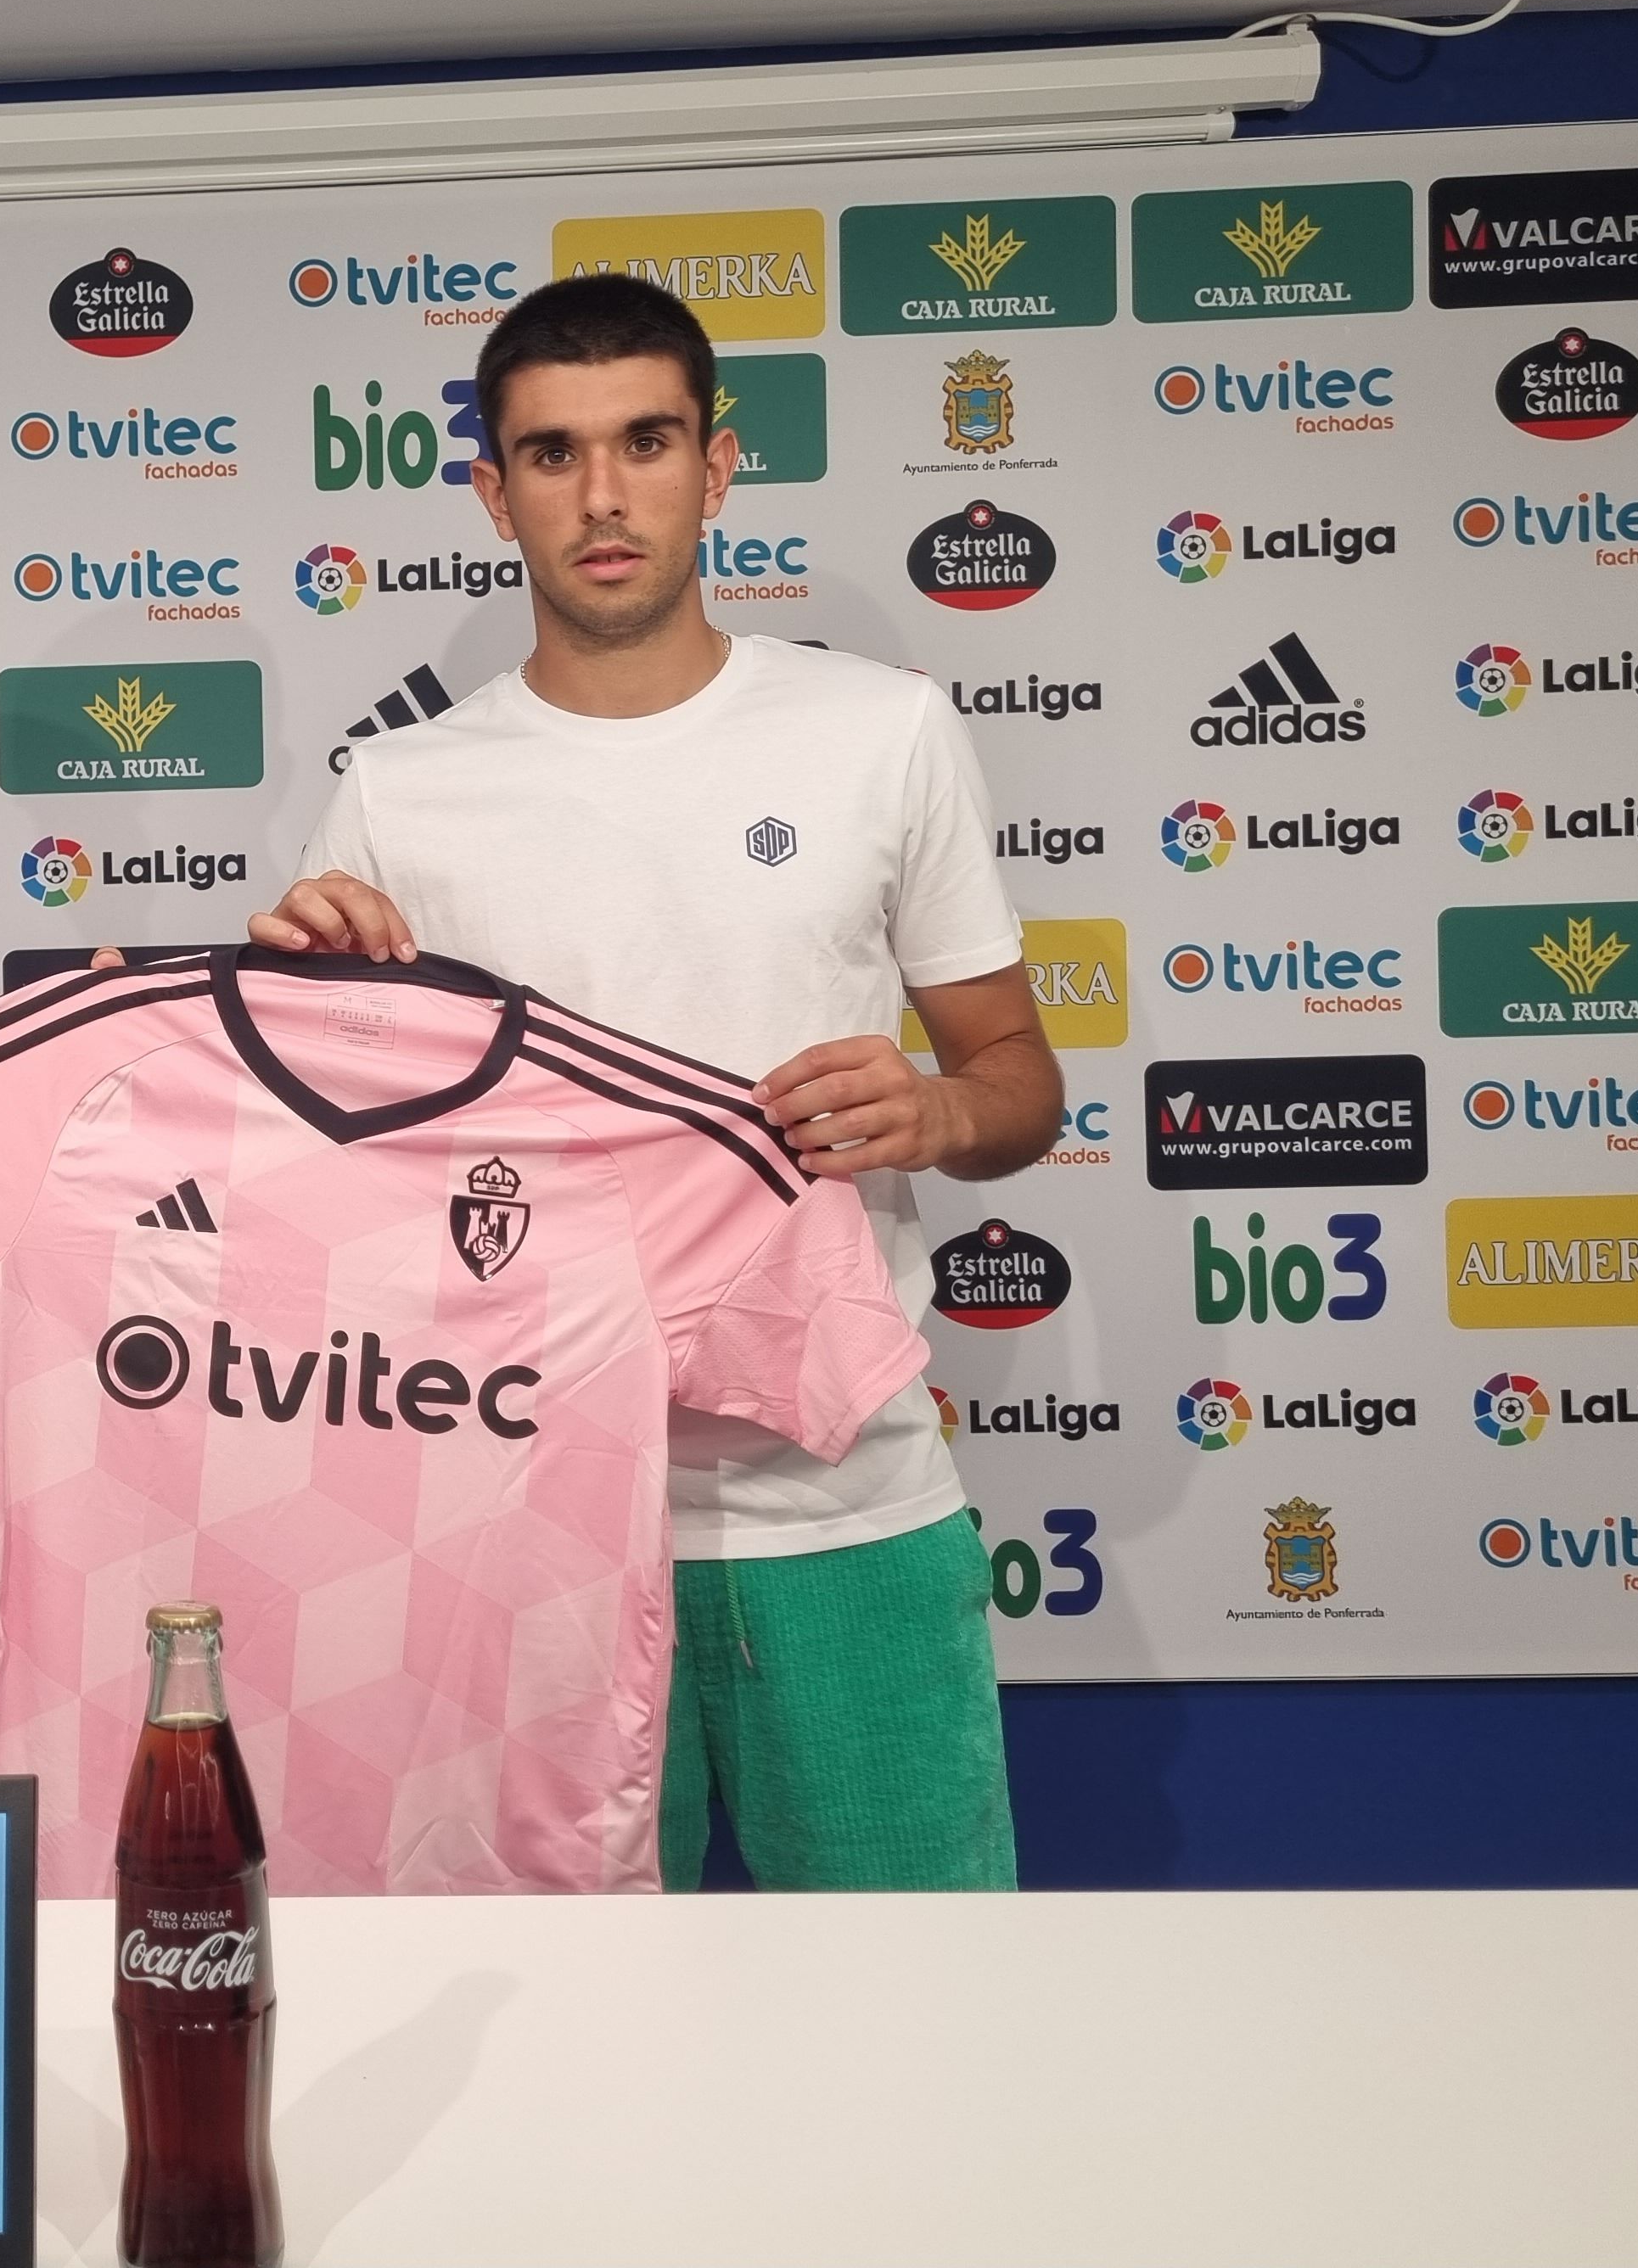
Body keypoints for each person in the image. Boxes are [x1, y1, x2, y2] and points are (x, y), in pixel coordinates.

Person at [255, 272, 1060, 1890]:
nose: (603, 495)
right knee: (568, 2054)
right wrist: (300, 1015)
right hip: (515, 1522)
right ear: (493, 491)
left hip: (847, 1508)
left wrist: (940, 1108)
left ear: (718, 463)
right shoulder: (400, 793)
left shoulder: (881, 731)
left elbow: (1020, 1083)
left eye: (644, 441)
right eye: (551, 454)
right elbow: (311, 1190)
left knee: (925, 2026)